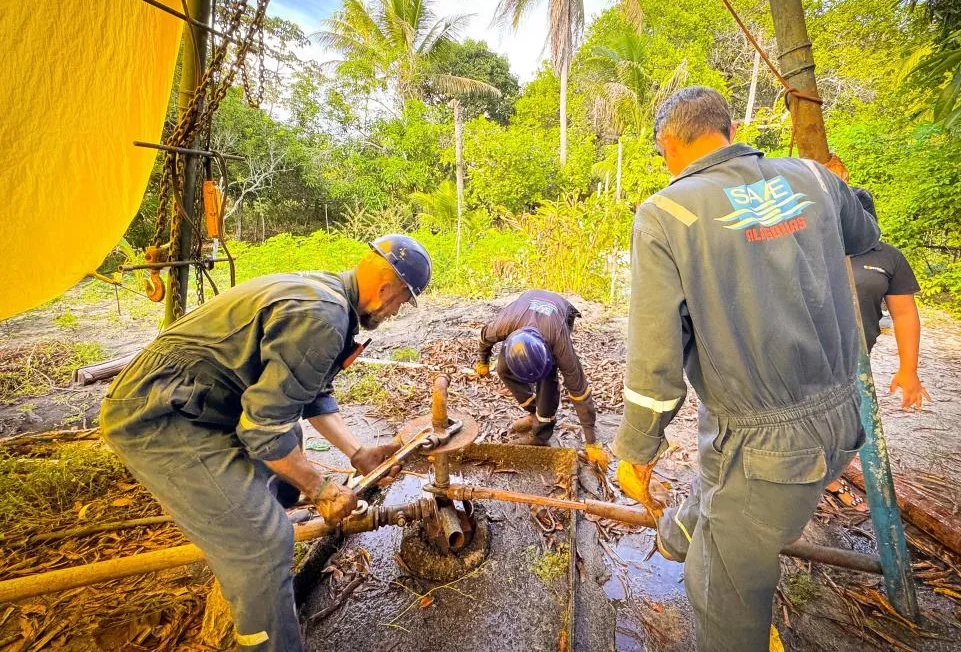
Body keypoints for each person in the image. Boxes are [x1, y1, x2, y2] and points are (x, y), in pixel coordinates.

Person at [611, 87, 880, 651]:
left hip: (767, 450)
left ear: (667, 143)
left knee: (720, 590)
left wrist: (636, 451)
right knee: (720, 469)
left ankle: (704, 545)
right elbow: (866, 236)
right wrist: (841, 187)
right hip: (843, 419)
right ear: (728, 130)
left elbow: (655, 363)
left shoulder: (666, 214)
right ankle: (683, 530)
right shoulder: (813, 178)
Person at [100, 234, 432, 652]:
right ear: (387, 289)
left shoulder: (330, 296)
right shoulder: (323, 317)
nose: (396, 310)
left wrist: (358, 452)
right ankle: (260, 606)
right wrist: (322, 489)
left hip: (201, 399)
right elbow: (263, 429)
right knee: (264, 543)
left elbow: (309, 394)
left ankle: (246, 539)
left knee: (288, 456)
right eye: (401, 301)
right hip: (159, 415)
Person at [474, 290, 608, 467]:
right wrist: (482, 361)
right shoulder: (503, 326)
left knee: (547, 382)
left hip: (559, 314)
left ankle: (541, 434)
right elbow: (484, 338)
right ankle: (534, 412)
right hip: (524, 311)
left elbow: (579, 392)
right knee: (502, 368)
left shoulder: (559, 344)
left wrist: (592, 441)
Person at [850, 187, 930, 410]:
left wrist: (909, 369)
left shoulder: (888, 256)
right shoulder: (808, 249)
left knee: (855, 430)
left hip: (856, 360)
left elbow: (904, 314)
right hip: (799, 357)